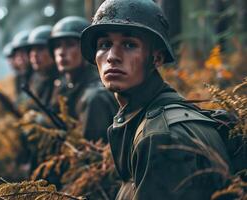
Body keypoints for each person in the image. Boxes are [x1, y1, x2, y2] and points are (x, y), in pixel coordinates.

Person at [81, 0, 231, 199]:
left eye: (129, 44)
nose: (112, 56)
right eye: (105, 45)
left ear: (157, 58)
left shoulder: (159, 136)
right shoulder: (153, 116)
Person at [48, 16, 117, 142]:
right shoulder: (63, 85)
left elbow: (92, 154)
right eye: (57, 46)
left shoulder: (95, 96)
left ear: (87, 49)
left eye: (70, 45)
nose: (61, 52)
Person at [26, 25, 60, 107]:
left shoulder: (64, 81)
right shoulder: (36, 78)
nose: (34, 55)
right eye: (31, 49)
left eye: (40, 48)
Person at [3, 30, 33, 106]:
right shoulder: (21, 77)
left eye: (24, 52)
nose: (20, 57)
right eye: (17, 53)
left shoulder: (38, 76)